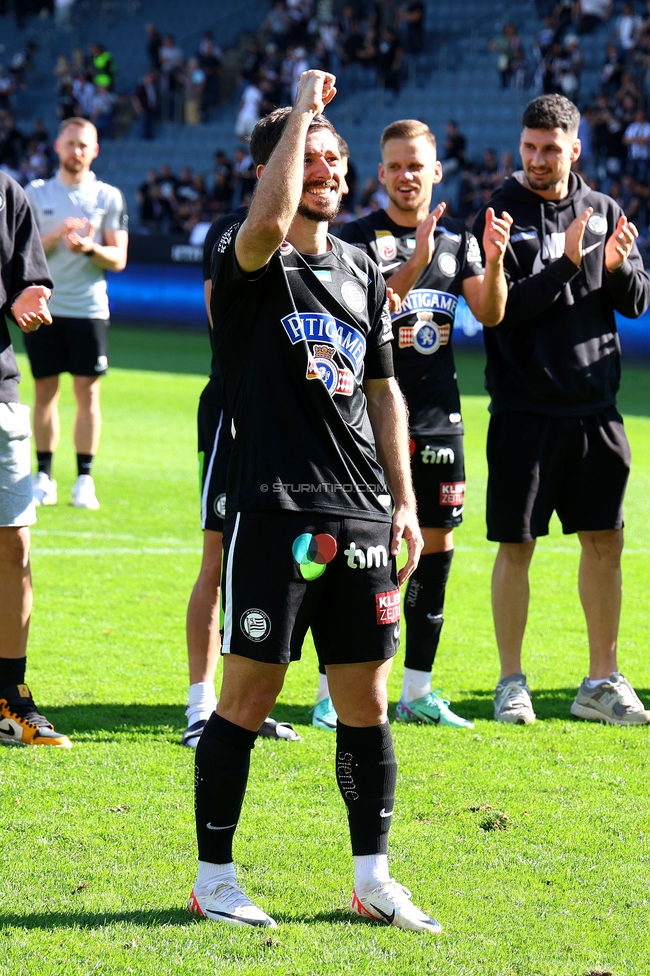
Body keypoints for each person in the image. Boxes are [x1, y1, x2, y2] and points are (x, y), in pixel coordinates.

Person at [189, 70, 440, 933]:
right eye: (316, 157)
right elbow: (266, 219)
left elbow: (384, 394)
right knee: (250, 696)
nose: (332, 169)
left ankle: (372, 878)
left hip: (361, 514)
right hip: (276, 510)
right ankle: (214, 879)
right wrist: (300, 109)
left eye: (337, 158)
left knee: (366, 703)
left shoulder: (365, 271)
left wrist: (403, 503)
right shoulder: (248, 255)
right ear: (281, 167)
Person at [473, 94, 650, 727]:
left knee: (606, 542)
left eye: (551, 148)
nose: (538, 159)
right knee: (516, 545)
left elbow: (634, 301)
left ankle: (600, 681)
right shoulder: (497, 211)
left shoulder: (602, 209)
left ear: (575, 148)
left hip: (596, 409)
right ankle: (510, 682)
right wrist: (570, 264)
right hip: (524, 409)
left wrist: (614, 266)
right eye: (529, 147)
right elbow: (499, 311)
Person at [335, 119, 511, 730]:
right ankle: (336, 694)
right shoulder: (352, 240)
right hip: (371, 422)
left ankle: (417, 690)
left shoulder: (457, 241)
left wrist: (492, 261)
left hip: (440, 422)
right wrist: (416, 259)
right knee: (364, 554)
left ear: (437, 172)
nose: (408, 176)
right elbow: (371, 308)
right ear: (380, 174)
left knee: (435, 553)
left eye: (419, 166)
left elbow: (489, 312)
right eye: (396, 166)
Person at [182, 205, 300, 748]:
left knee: (268, 562)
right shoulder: (233, 230)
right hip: (237, 414)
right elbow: (221, 320)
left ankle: (246, 705)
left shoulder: (325, 236)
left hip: (297, 425)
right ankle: (200, 708)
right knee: (217, 558)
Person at [23, 117, 128, 510]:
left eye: (84, 144)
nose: (77, 151)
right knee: (44, 391)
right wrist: (53, 236)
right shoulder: (35, 193)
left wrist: (89, 248)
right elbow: (21, 250)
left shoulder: (109, 197)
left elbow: (118, 258)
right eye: (70, 143)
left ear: (95, 150)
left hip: (89, 309)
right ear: (57, 146)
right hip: (43, 307)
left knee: (88, 393)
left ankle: (84, 478)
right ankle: (44, 475)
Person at [0, 171, 71, 748]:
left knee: (14, 543)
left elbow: (28, 279)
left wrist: (30, 294)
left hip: (0, 392)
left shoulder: (7, 192)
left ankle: (8, 696)